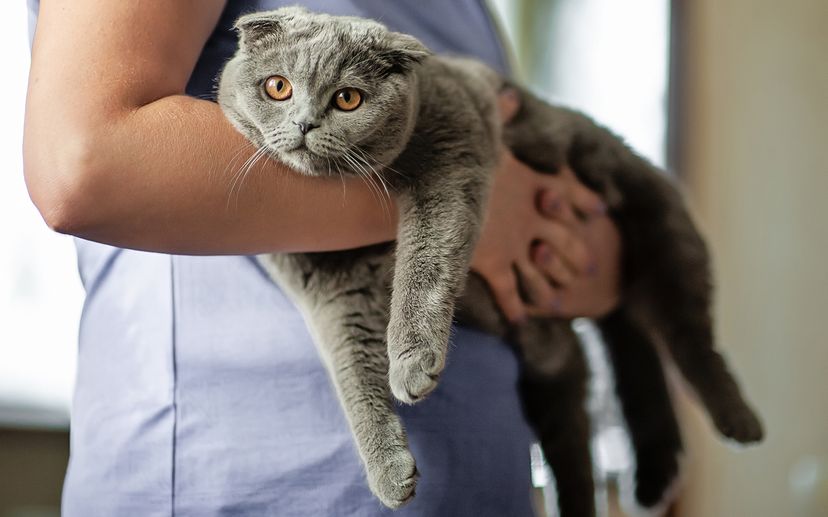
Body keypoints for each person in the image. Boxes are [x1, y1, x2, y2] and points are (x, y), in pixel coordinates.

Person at [24, 0, 621, 515]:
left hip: (482, 479)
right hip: (254, 479)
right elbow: (88, 162)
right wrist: (457, 194)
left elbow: (540, 212)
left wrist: (581, 255)